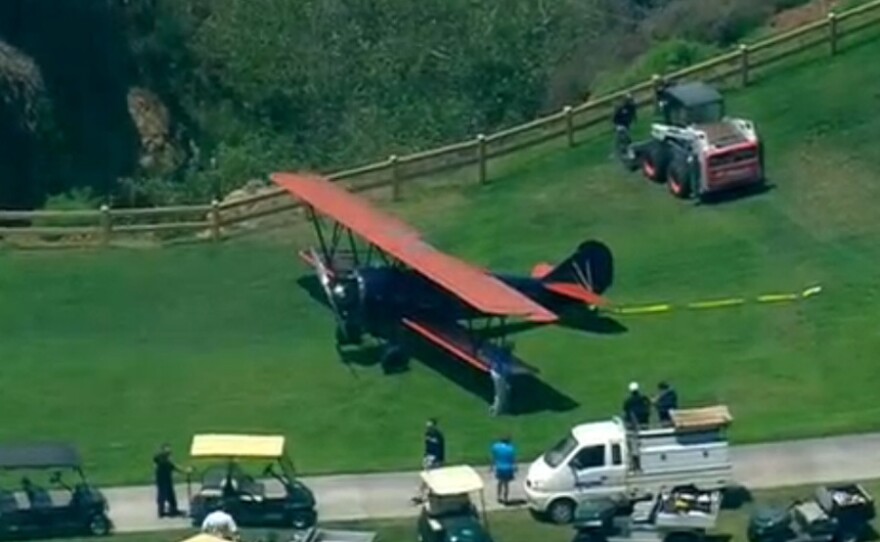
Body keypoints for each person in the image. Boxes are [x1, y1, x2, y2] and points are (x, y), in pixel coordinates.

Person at [413, 418, 446, 503]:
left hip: (436, 458)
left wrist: (439, 460)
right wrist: (425, 456)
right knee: (427, 476)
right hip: (429, 457)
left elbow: (441, 448)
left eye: (430, 425)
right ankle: (423, 495)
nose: (428, 427)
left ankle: (427, 495)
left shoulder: (438, 435)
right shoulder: (428, 434)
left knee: (433, 477)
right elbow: (427, 446)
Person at [153, 443, 184, 518]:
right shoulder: (164, 461)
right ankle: (164, 511)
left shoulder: (162, 460)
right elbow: (175, 467)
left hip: (165, 480)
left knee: (168, 495)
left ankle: (169, 509)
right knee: (164, 495)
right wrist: (185, 471)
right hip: (163, 480)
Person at [490, 435, 517, 505]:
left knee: (499, 482)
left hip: (499, 468)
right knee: (506, 484)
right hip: (508, 468)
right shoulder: (510, 448)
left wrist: (491, 466)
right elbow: (513, 459)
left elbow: (494, 457)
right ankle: (505, 498)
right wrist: (515, 467)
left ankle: (498, 496)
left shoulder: (496, 447)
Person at [489, 344, 513, 416]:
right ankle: (497, 411)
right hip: (499, 376)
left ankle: (496, 407)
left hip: (494, 373)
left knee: (499, 393)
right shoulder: (506, 359)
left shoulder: (499, 354)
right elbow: (506, 370)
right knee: (500, 395)